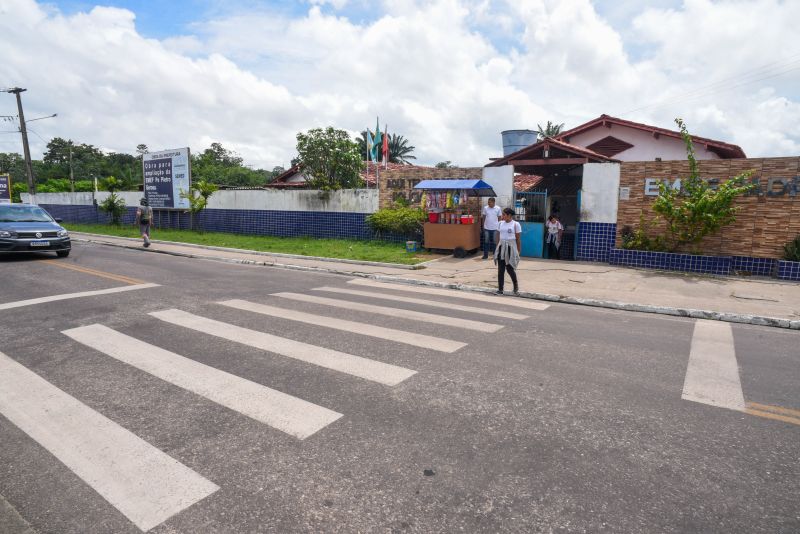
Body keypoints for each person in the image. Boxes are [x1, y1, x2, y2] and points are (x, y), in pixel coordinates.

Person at [494, 207, 521, 295]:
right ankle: (500, 289)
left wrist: (518, 251)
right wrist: (497, 246)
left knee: (509, 269)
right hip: (501, 247)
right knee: (500, 269)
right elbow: (498, 235)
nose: (502, 216)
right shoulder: (500, 223)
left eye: (504, 214)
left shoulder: (516, 224)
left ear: (509, 215)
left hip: (511, 247)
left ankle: (515, 285)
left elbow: (518, 239)